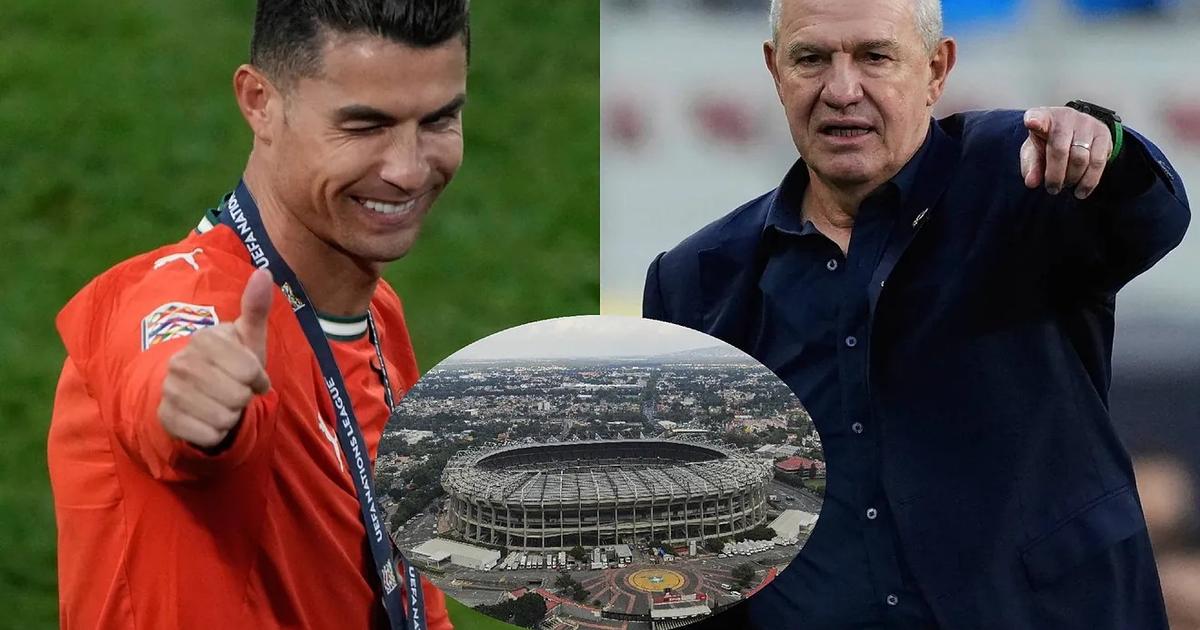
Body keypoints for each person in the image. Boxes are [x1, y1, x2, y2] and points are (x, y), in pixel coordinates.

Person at [642, 0, 1191, 628]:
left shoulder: (1021, 174)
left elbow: (1150, 219)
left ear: (936, 69)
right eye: (811, 59)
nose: (841, 90)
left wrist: (1105, 147)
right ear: (775, 70)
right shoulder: (694, 280)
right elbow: (692, 540)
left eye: (874, 57)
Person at [47, 1, 468, 628]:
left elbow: (404, 589)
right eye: (364, 126)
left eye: (438, 120)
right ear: (259, 102)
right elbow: (163, 377)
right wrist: (193, 405)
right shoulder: (177, 296)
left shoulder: (377, 314)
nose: (407, 170)